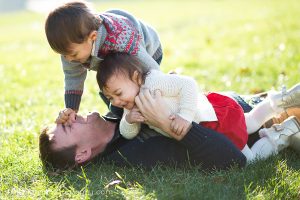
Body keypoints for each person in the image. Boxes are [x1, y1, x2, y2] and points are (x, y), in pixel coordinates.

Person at [96, 53, 300, 162]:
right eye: (110, 97)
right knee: (249, 122)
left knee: (249, 161)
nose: (115, 102)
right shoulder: (130, 105)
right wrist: (128, 119)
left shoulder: (153, 83)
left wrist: (184, 116)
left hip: (212, 122)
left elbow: (188, 84)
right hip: (211, 117)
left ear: (135, 77)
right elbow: (128, 133)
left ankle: (280, 135)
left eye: (118, 93)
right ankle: (280, 101)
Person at [39, 89, 300, 171]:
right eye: (66, 129)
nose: (69, 118)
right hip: (260, 124)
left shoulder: (115, 105)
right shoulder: (136, 153)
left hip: (240, 102)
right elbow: (232, 160)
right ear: (82, 154)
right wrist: (169, 125)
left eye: (64, 119)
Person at [45, 1, 163, 115]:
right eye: (64, 55)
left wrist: (162, 89)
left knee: (138, 93)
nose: (69, 59)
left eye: (73, 55)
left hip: (147, 53)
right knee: (111, 87)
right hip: (111, 60)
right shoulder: (71, 48)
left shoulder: (121, 38)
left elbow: (152, 70)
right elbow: (73, 76)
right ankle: (119, 113)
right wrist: (71, 109)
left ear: (93, 36)